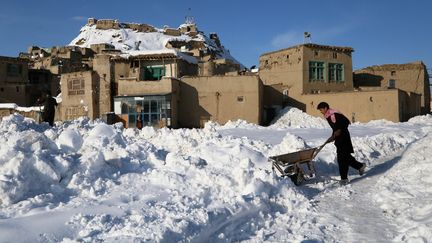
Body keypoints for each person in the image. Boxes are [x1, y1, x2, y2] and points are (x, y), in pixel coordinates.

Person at [317, 102, 366, 184]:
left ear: (325, 108)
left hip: (344, 138)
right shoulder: (329, 116)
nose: (321, 111)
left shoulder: (334, 114)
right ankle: (360, 166)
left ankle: (344, 178)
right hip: (339, 139)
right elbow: (335, 127)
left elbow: (346, 122)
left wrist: (339, 130)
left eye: (321, 109)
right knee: (345, 157)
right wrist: (333, 135)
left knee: (341, 158)